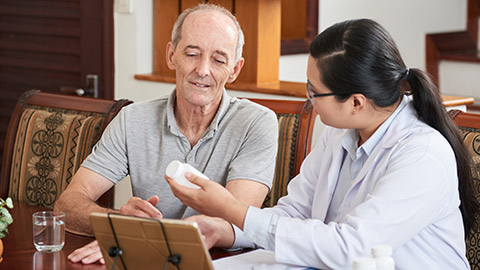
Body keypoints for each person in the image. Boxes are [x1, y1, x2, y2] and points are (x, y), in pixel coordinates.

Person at [166, 19, 478, 269]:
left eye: (314, 92)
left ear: (356, 102)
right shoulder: (340, 131)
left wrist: (232, 208)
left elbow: (353, 248)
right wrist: (230, 229)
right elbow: (295, 213)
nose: (309, 99)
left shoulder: (422, 154)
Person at [54, 3, 278, 264]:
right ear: (172, 56)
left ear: (235, 70)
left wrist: (136, 235)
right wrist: (119, 224)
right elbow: (67, 204)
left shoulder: (257, 122)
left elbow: (236, 220)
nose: (203, 70)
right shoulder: (131, 119)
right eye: (192, 54)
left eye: (218, 60)